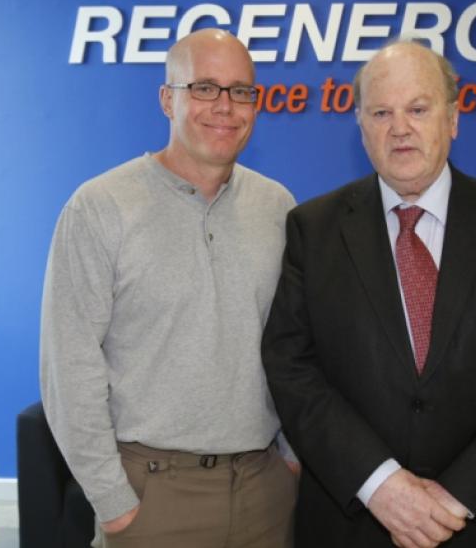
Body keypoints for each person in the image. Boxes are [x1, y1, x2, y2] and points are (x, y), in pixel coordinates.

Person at [262, 40, 476, 548]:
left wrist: (455, 499)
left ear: (453, 118)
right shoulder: (312, 229)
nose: (400, 128)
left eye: (418, 109)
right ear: (361, 126)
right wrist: (381, 484)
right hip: (357, 521)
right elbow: (292, 368)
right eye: (381, 112)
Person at [40, 28, 298, 548]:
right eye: (203, 87)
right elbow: (69, 364)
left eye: (241, 90)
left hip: (264, 494)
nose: (224, 106)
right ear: (166, 99)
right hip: (151, 498)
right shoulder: (100, 207)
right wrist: (114, 502)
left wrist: (290, 460)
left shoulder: (278, 207)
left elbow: (299, 346)